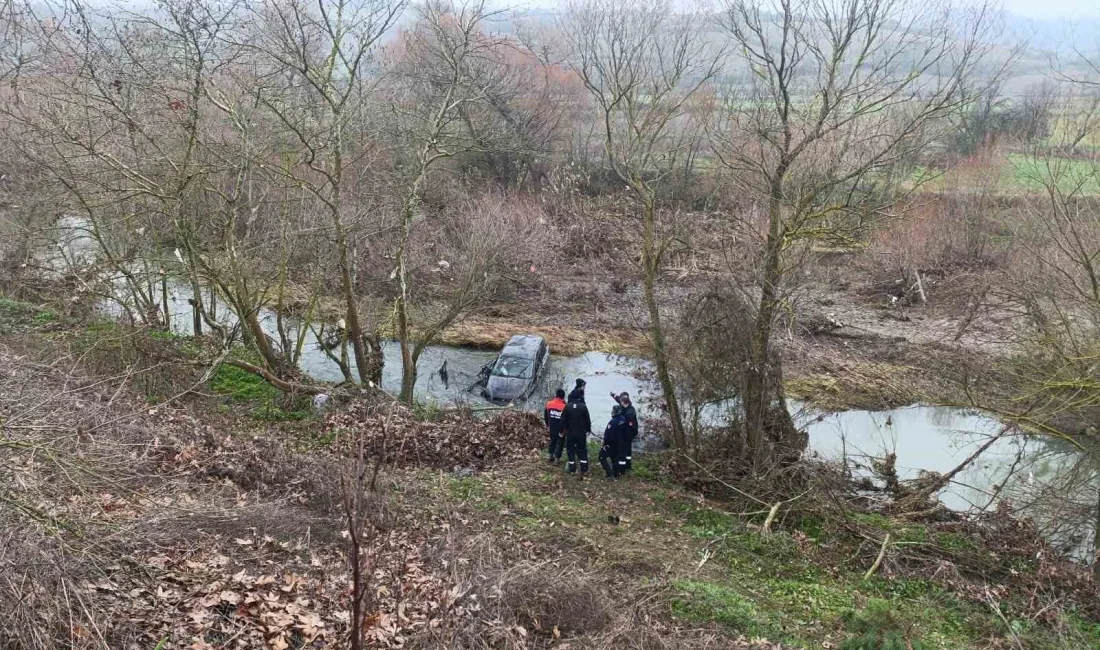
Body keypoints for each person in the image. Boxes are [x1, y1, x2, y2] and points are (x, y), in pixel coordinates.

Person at [560, 379, 591, 476]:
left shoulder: (567, 407)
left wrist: (562, 430)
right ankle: (584, 469)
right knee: (582, 449)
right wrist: (588, 430)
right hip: (581, 432)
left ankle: (572, 469)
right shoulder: (583, 407)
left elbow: (563, 420)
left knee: (570, 450)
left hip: (570, 432)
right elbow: (587, 420)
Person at [609, 391, 639, 472]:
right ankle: (627, 465)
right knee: (627, 450)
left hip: (628, 433)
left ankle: (623, 468)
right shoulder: (626, 404)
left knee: (624, 451)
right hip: (627, 433)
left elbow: (631, 426)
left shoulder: (630, 413)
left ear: (624, 402)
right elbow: (618, 399)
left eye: (621, 402)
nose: (620, 403)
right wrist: (613, 395)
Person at [599, 405, 628, 478]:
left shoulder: (612, 422)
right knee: (615, 458)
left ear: (614, 412)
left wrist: (605, 445)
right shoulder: (623, 419)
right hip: (620, 443)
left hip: (611, 444)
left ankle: (609, 473)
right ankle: (616, 474)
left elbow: (607, 435)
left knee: (602, 456)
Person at [544, 388, 567, 463]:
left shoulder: (549, 404)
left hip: (552, 427)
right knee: (560, 443)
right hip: (561, 428)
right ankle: (557, 459)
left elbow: (546, 416)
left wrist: (548, 426)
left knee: (552, 441)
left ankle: (549, 456)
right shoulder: (564, 406)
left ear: (556, 395)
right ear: (563, 396)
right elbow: (566, 419)